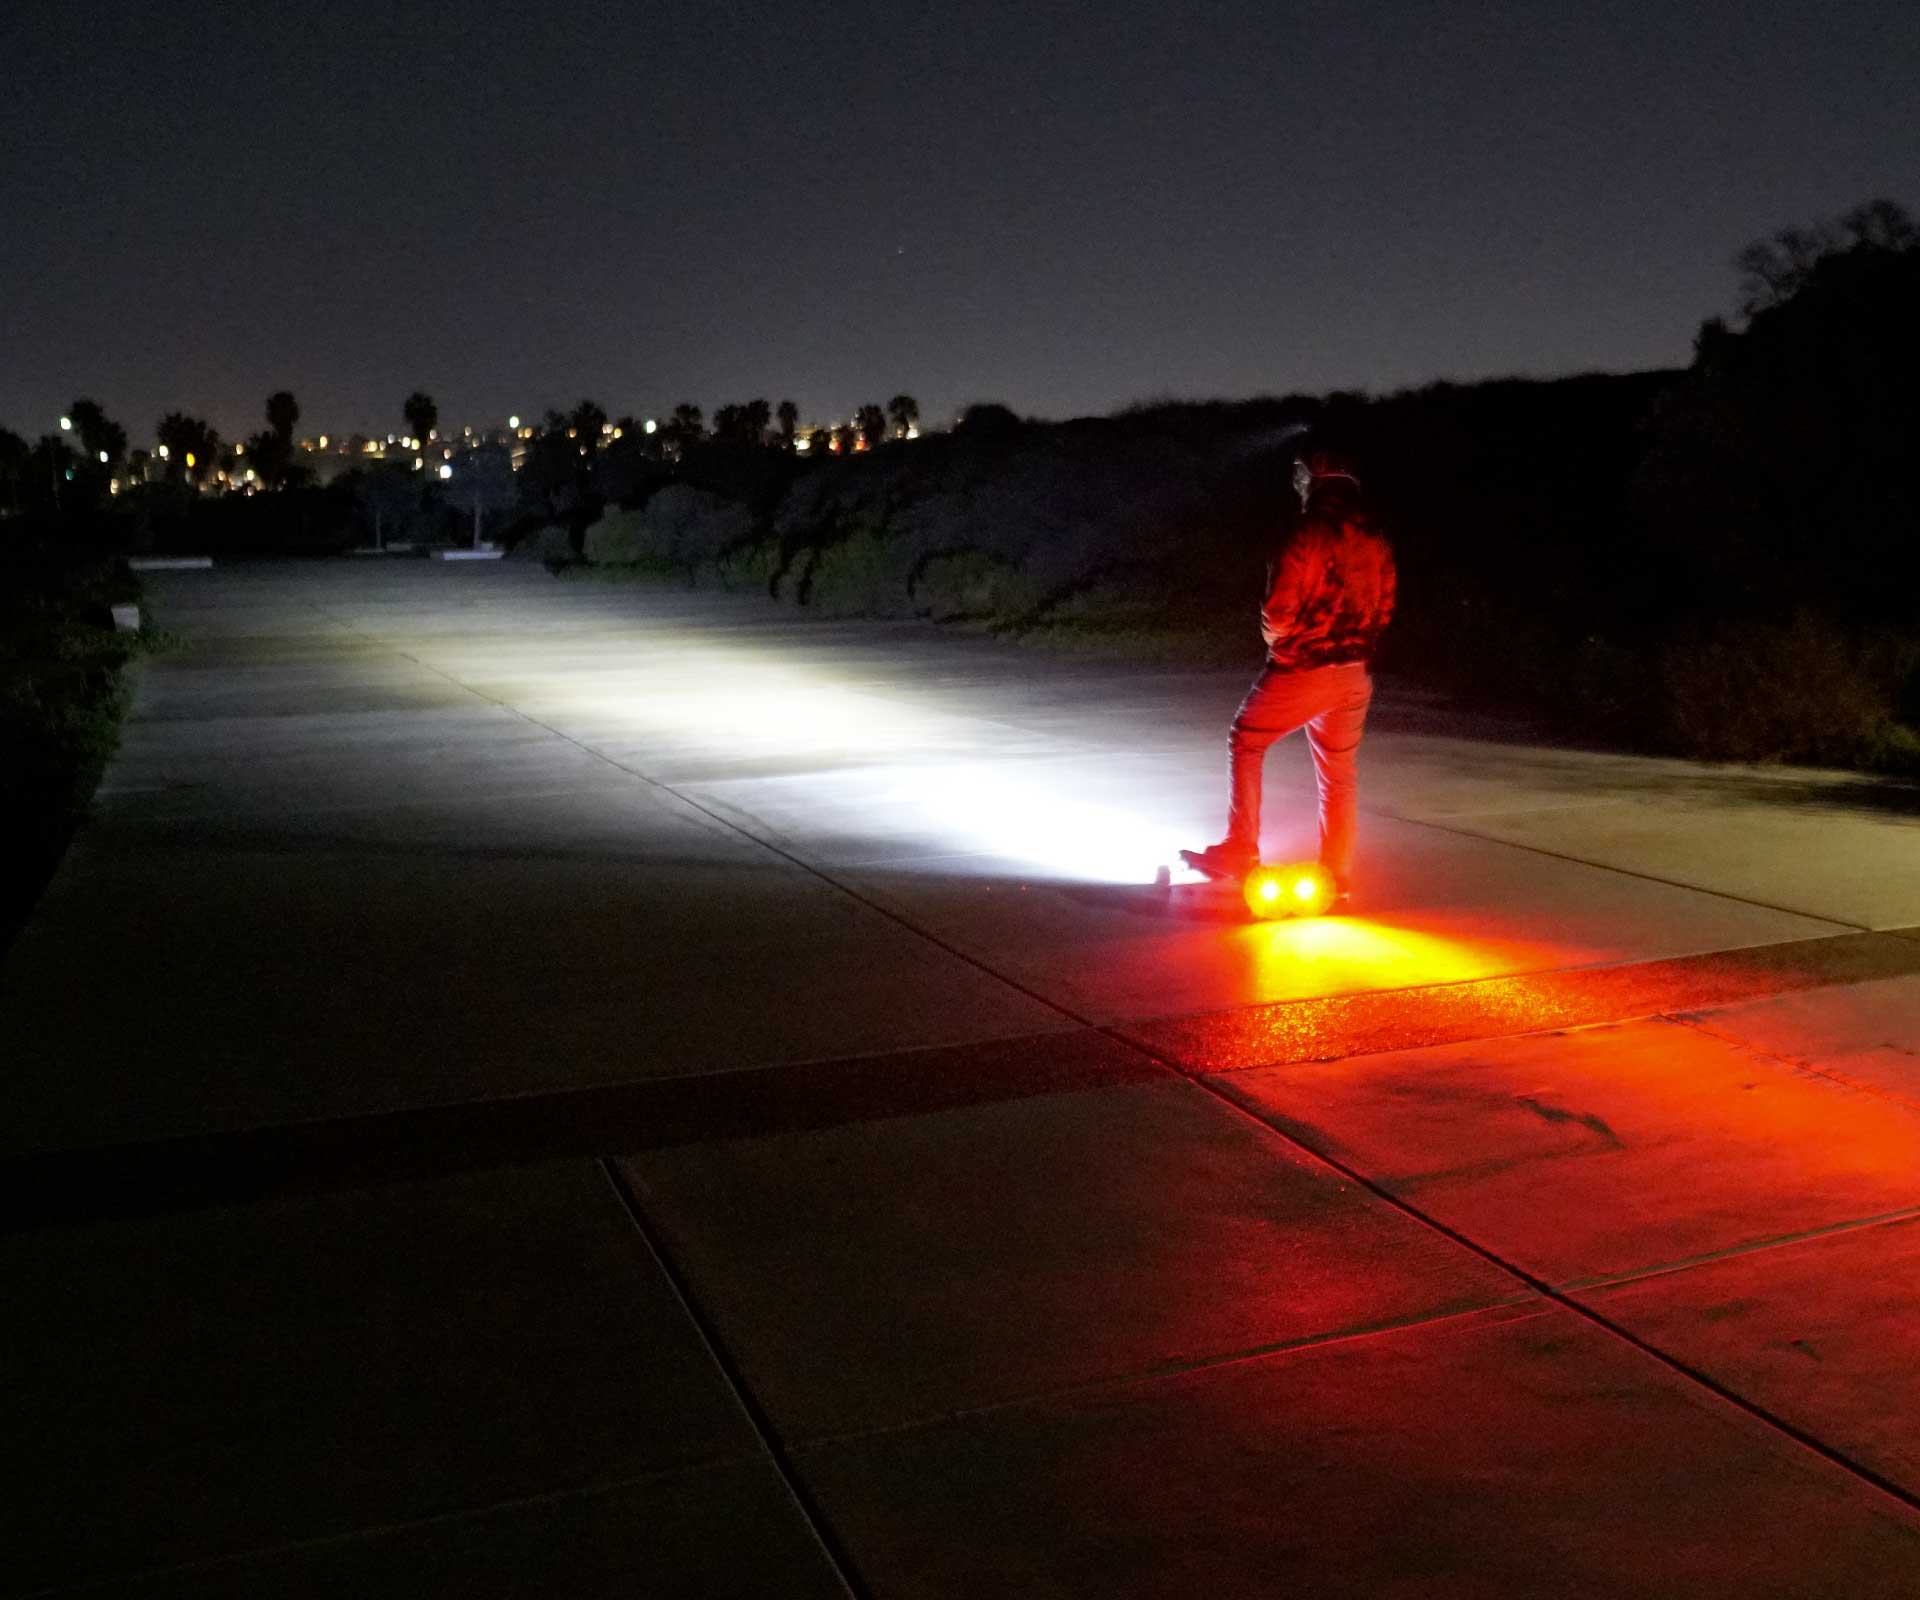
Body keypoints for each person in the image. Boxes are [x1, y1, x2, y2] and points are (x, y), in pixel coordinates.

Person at [1182, 441, 1397, 904]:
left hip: (1306, 666)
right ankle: (1335, 873)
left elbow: (1279, 609)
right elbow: (1384, 609)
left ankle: (1241, 849)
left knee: (1247, 738)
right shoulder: (1375, 537)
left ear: (1315, 484)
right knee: (1338, 773)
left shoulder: (1305, 534)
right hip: (1355, 672)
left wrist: (1282, 648)